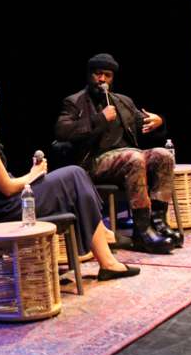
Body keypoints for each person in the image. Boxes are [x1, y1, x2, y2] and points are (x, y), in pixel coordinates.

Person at [0, 73, 140, 281]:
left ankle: (104, 247)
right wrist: (33, 174)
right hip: (11, 210)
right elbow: (7, 187)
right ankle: (105, 250)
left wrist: (33, 176)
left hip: (7, 204)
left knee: (75, 175)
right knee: (75, 174)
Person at [55, 53, 182, 254]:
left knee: (162, 155)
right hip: (94, 163)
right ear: (89, 75)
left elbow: (143, 123)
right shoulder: (75, 102)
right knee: (134, 157)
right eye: (98, 74)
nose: (102, 80)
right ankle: (142, 231)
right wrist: (100, 119)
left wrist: (159, 122)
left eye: (107, 75)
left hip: (130, 159)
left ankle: (158, 222)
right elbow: (62, 132)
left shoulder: (122, 101)